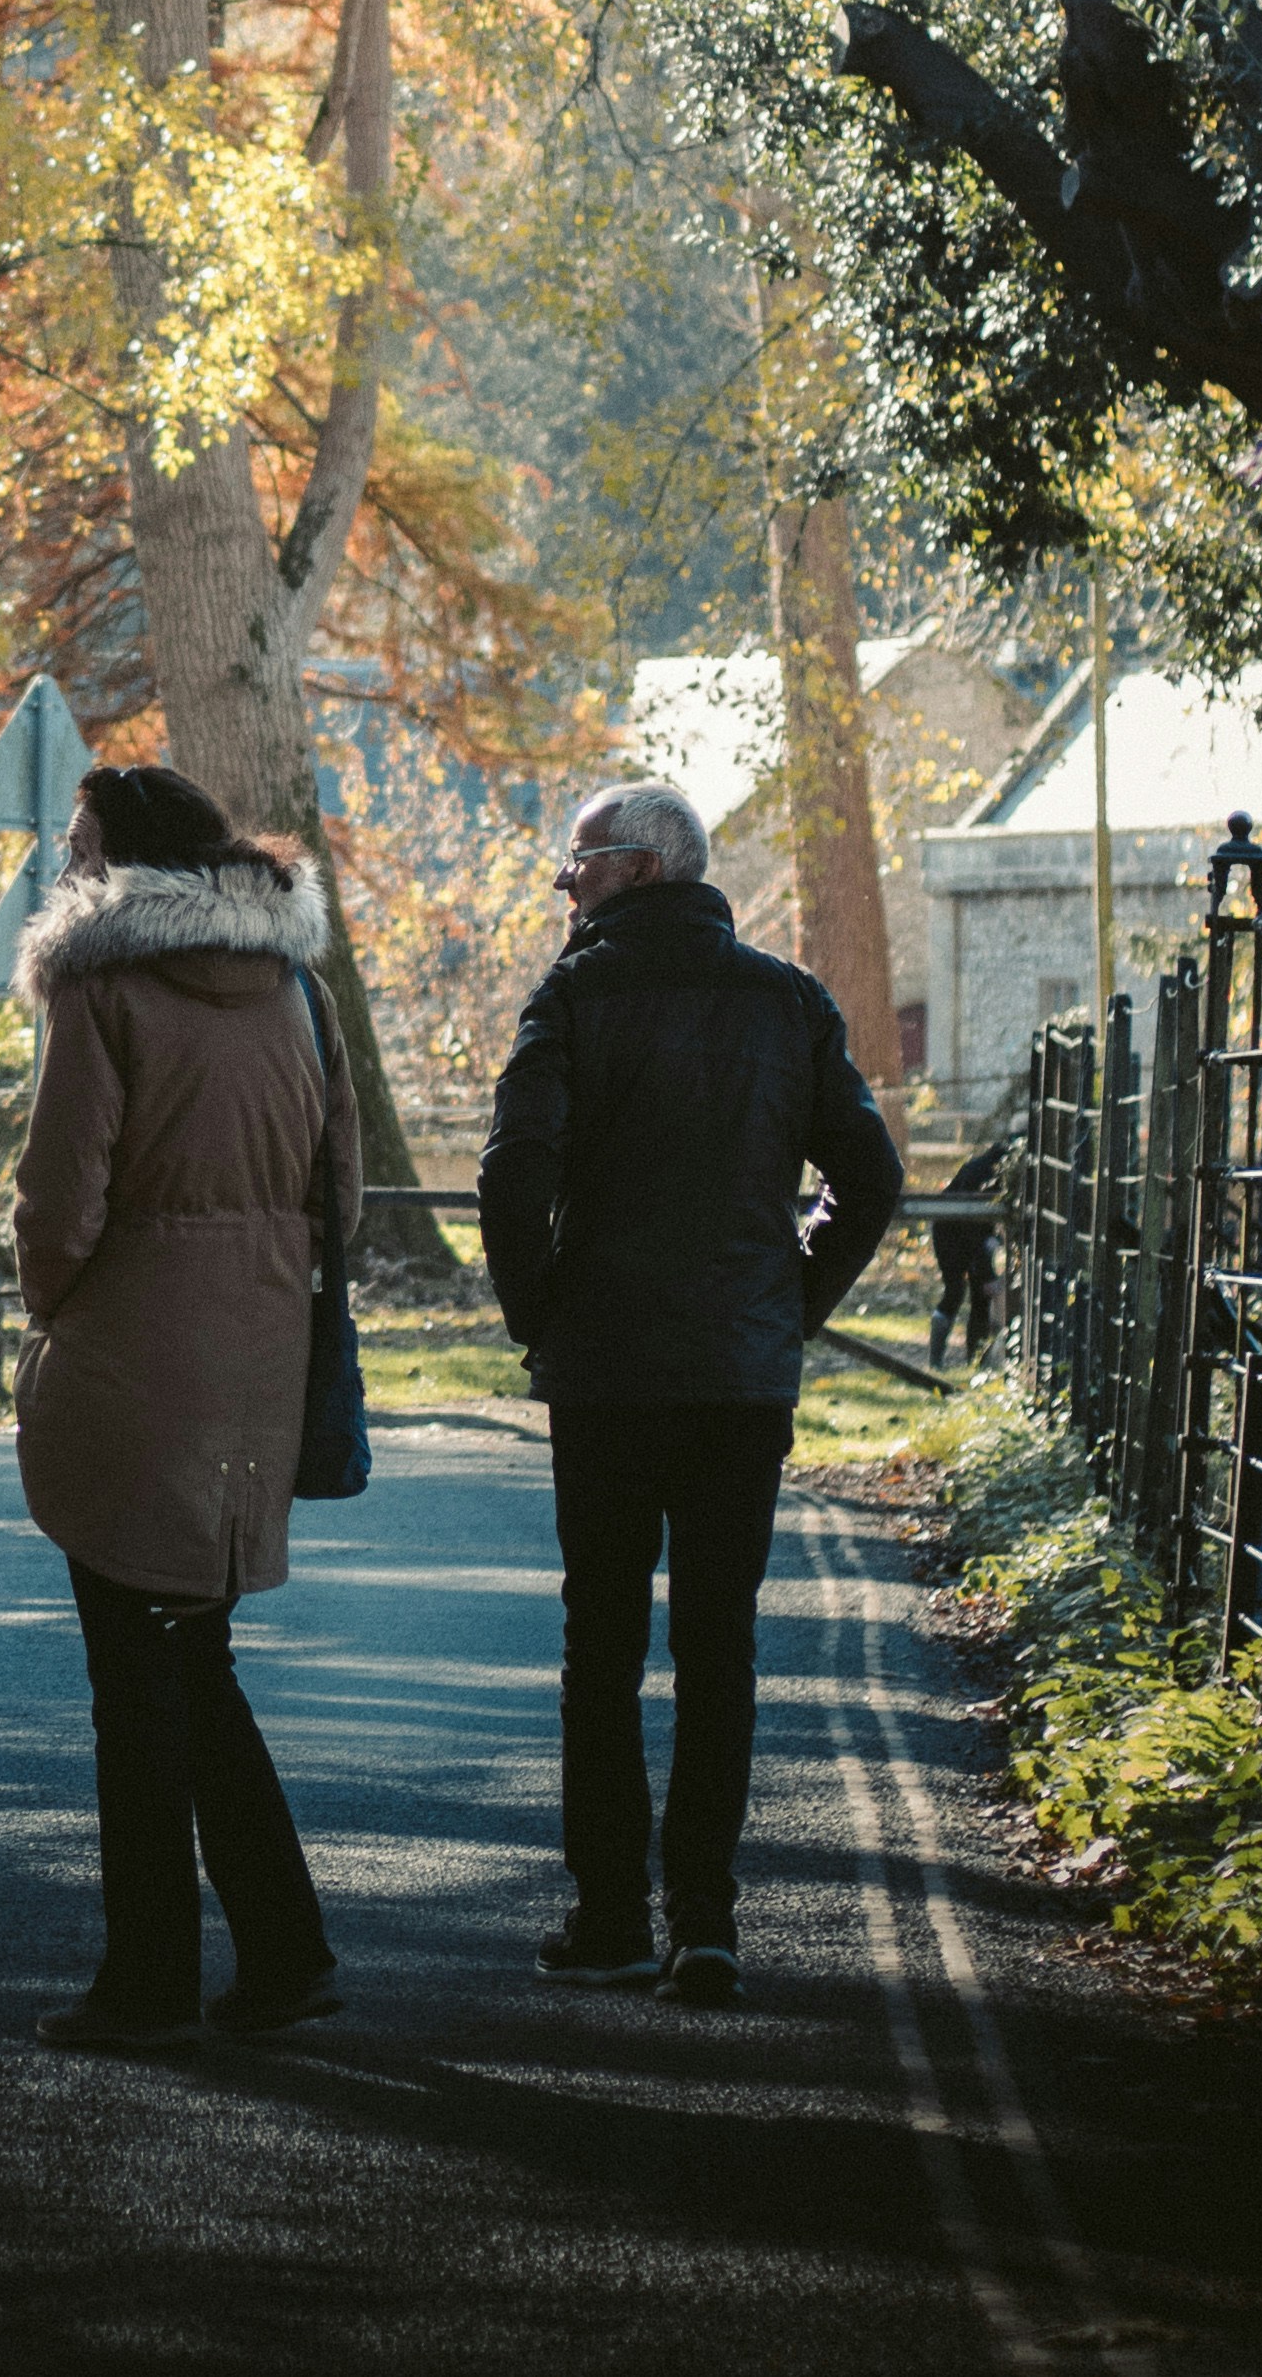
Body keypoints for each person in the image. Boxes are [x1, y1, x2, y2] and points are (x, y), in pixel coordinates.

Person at [478, 777, 905, 2008]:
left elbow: (513, 1175)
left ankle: (609, 1916)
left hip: (604, 1375)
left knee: (598, 1646)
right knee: (717, 1645)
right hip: (737, 1376)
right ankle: (703, 1923)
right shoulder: (788, 1001)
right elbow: (868, 1179)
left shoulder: (568, 998)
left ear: (644, 867)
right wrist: (787, 1300)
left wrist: (538, 1312)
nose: (565, 885)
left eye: (579, 862)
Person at [9, 758, 363, 2053]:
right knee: (192, 1657)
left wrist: (59, 1313)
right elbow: (347, 1188)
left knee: (134, 1681)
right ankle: (286, 1951)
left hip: (129, 1355)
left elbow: (61, 1201)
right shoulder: (297, 989)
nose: (65, 863)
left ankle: (150, 1977)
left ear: (129, 861)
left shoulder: (101, 987)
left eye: (79, 840)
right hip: (258, 1358)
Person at [926, 1132, 1009, 1367]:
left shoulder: (991, 1170)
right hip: (950, 1232)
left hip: (976, 1235)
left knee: (980, 1295)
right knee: (955, 1290)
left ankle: (976, 1362)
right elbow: (968, 1222)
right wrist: (982, 1264)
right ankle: (937, 1362)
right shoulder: (979, 1173)